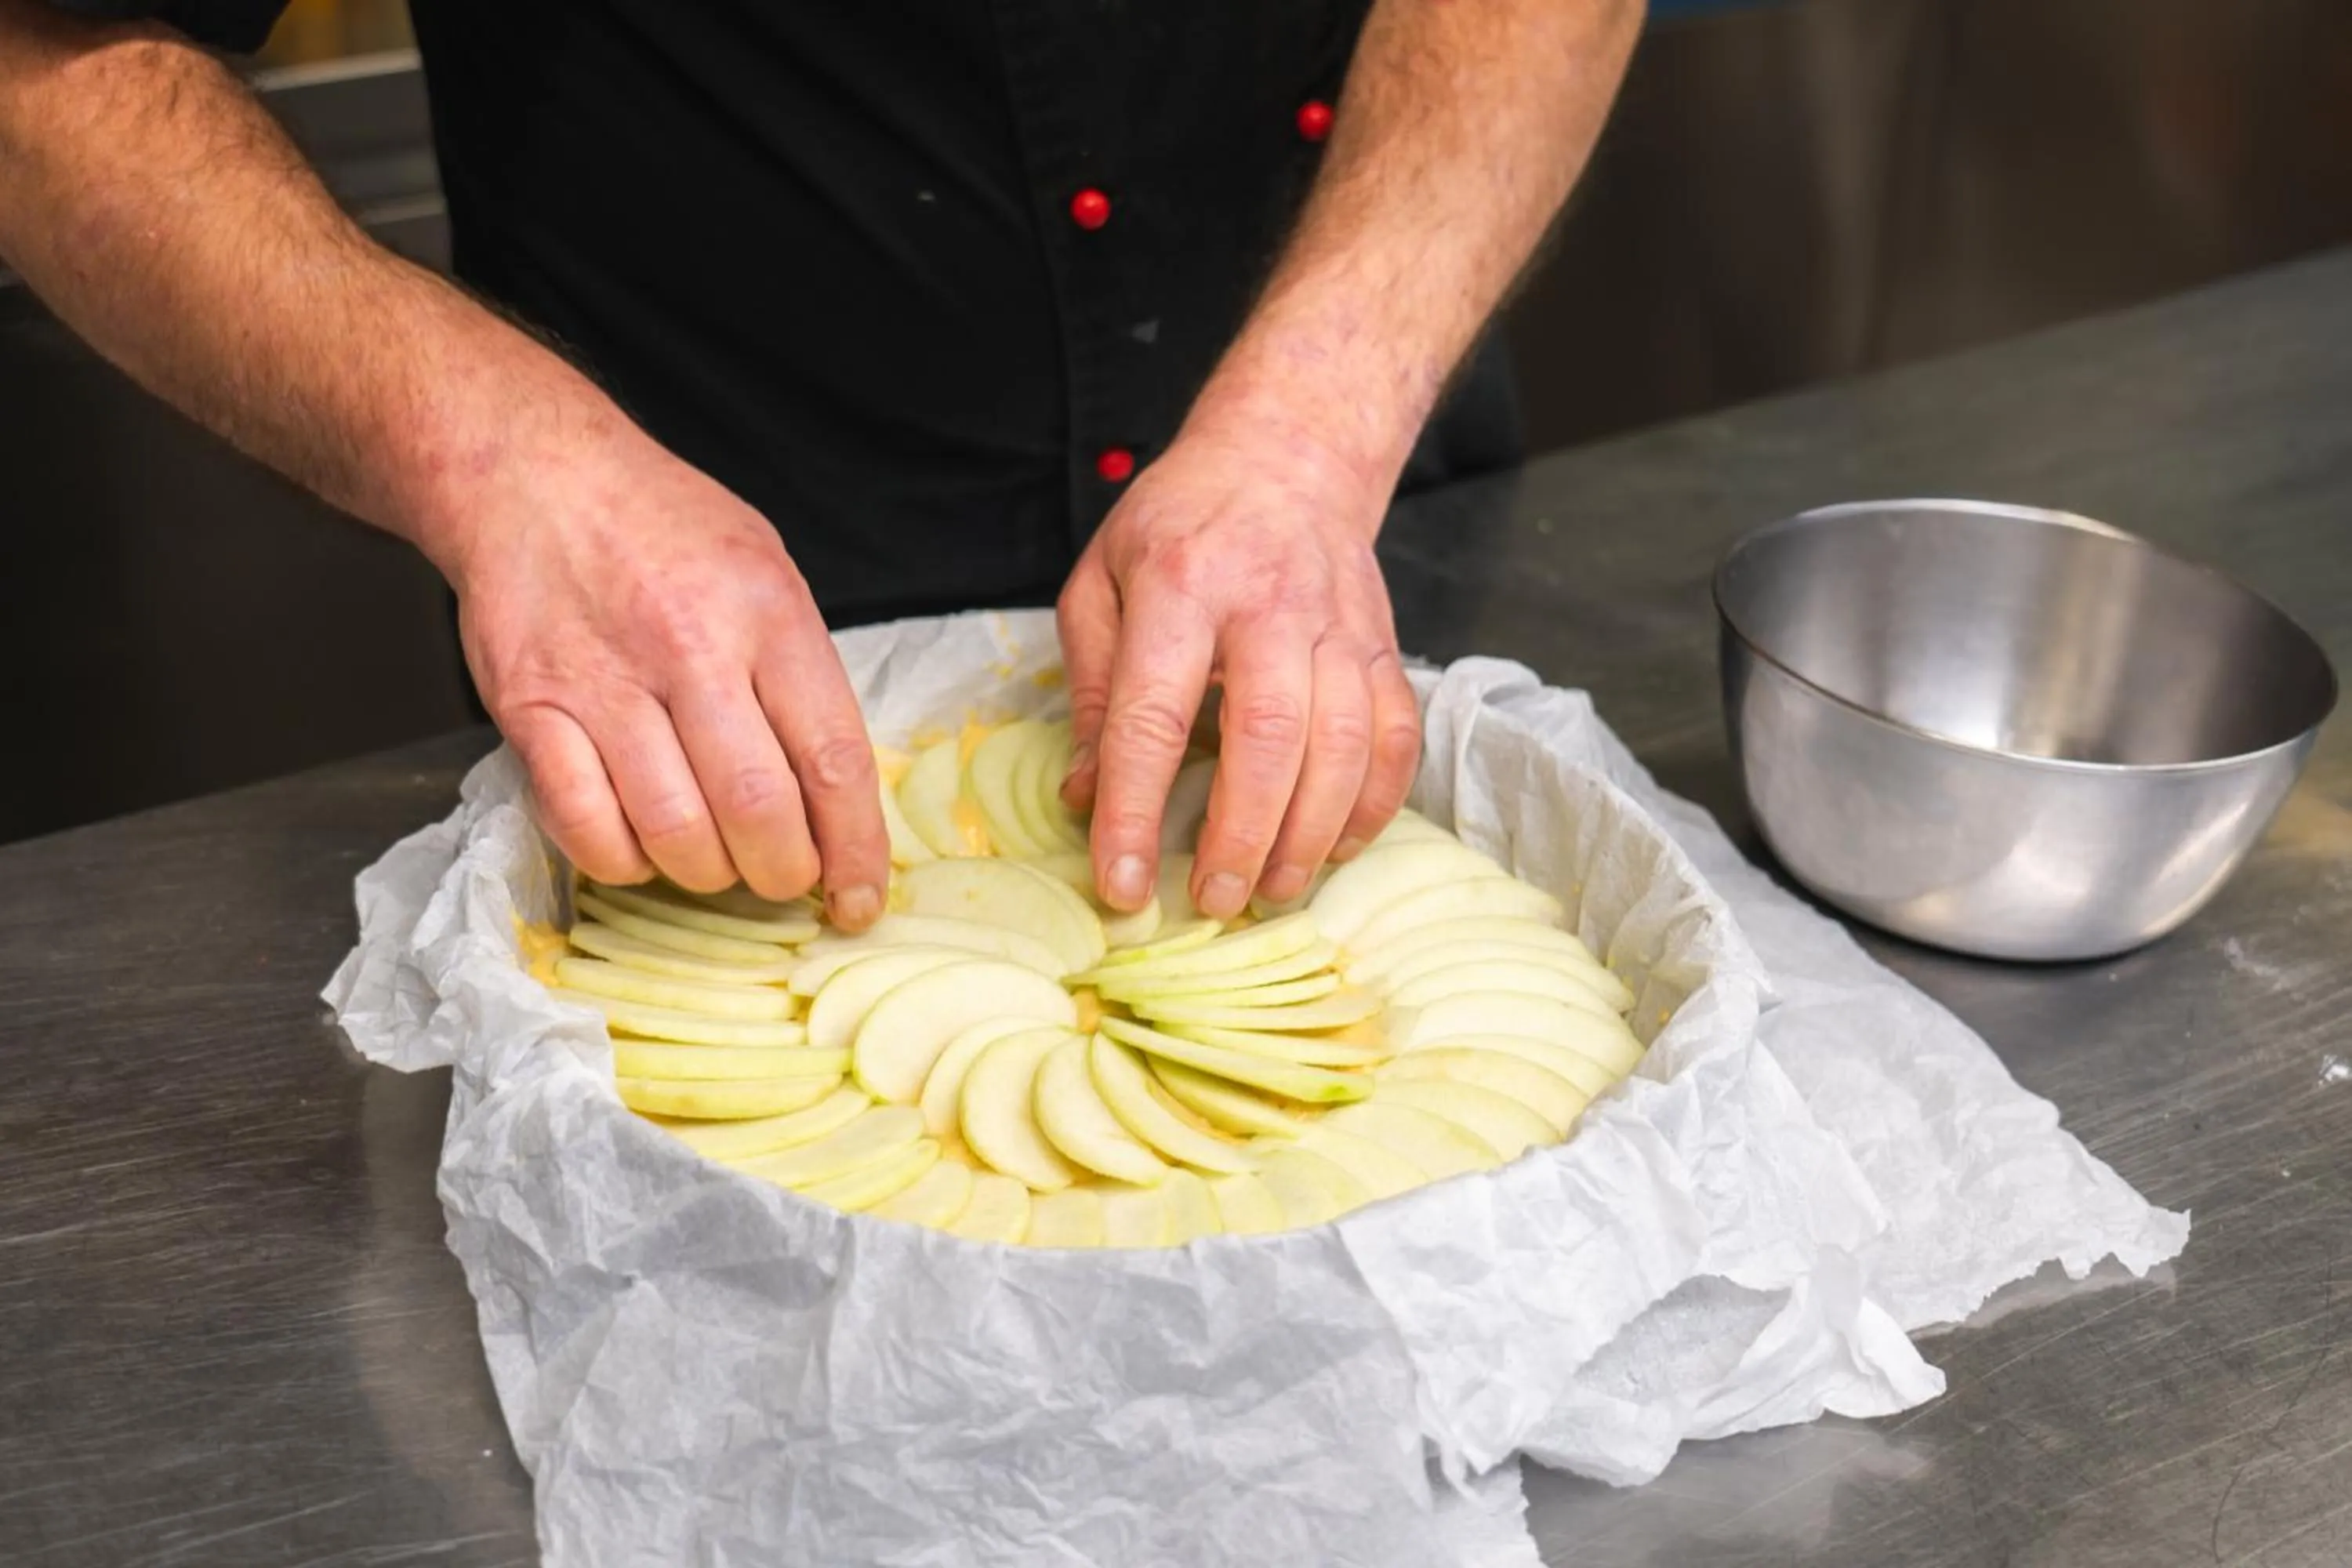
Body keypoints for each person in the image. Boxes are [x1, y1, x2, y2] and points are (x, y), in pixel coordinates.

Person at [0, 0, 1639, 930]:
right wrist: (485, 446)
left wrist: (1320, 411)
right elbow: (41, 63)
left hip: (1352, 509)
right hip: (679, 626)